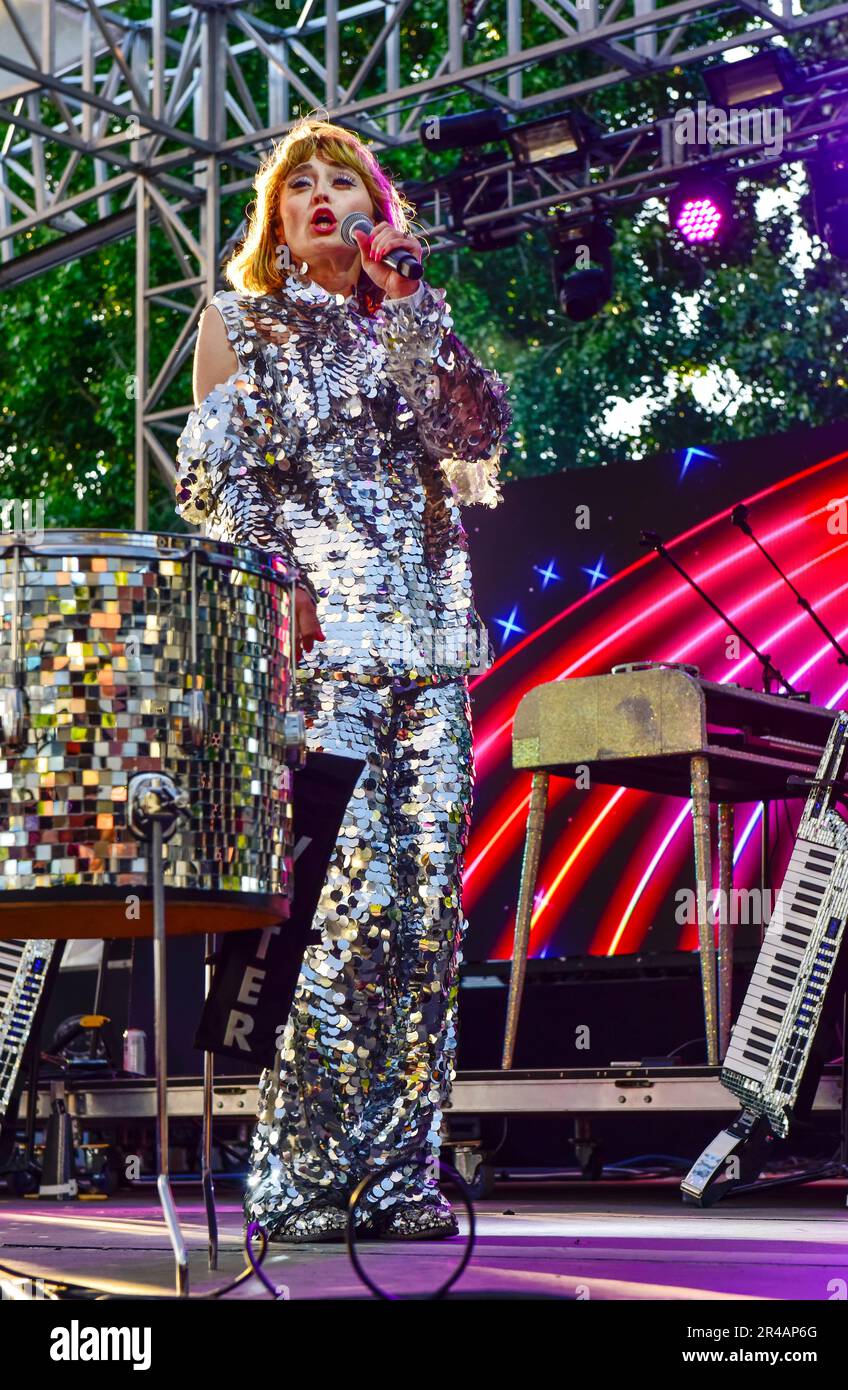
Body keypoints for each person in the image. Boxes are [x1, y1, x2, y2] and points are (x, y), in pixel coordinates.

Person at [175, 116, 512, 1243]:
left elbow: (475, 441)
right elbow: (220, 488)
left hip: (434, 655)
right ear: (275, 219)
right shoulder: (243, 322)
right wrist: (284, 596)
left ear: (380, 214)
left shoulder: (411, 317)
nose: (323, 197)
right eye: (300, 186)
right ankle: (303, 1179)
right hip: (329, 663)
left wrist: (411, 305)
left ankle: (400, 1176)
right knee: (340, 917)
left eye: (345, 182)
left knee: (423, 926)